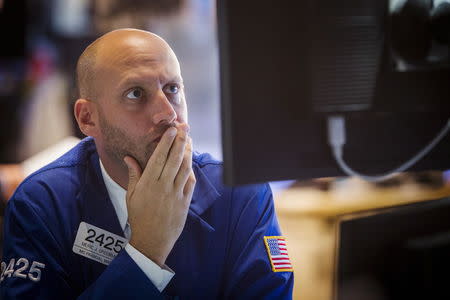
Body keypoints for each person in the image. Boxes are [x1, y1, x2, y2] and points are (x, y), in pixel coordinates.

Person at [0, 28, 294, 299]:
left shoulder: (241, 193)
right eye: (136, 94)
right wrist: (145, 253)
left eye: (172, 89)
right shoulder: (41, 203)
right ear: (88, 118)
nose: (167, 114)